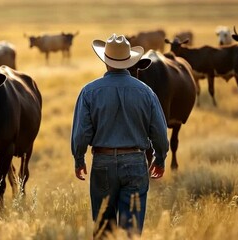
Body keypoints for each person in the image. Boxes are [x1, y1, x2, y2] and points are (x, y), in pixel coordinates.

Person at [71, 33, 169, 238]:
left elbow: (81, 134)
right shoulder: (146, 92)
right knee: (131, 231)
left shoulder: (89, 92)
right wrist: (160, 159)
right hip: (135, 161)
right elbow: (160, 133)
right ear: (129, 61)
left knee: (103, 231)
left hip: (102, 162)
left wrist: (79, 159)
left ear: (106, 62)